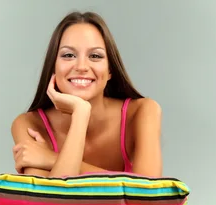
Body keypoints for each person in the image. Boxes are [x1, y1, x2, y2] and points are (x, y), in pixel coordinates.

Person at [11, 11, 163, 178]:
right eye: (68, 55)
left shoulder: (142, 111)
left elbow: (147, 192)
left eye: (95, 56)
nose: (82, 66)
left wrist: (51, 159)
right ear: (53, 66)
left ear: (110, 69)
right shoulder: (29, 123)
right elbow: (50, 201)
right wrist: (80, 114)